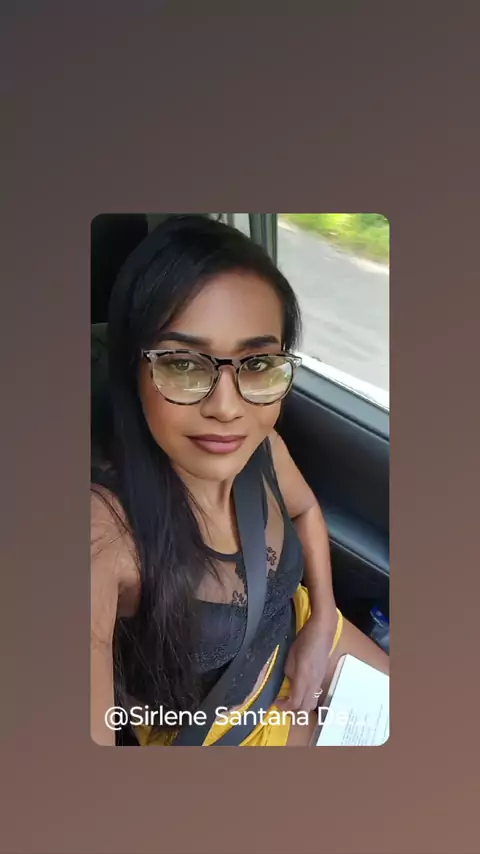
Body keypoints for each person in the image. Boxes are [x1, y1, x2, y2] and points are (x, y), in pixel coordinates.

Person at [91, 214, 388, 747]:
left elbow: (306, 511)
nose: (227, 408)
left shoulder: (264, 449)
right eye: (183, 364)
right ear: (132, 369)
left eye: (256, 363)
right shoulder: (104, 532)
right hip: (219, 729)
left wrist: (322, 618)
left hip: (303, 632)